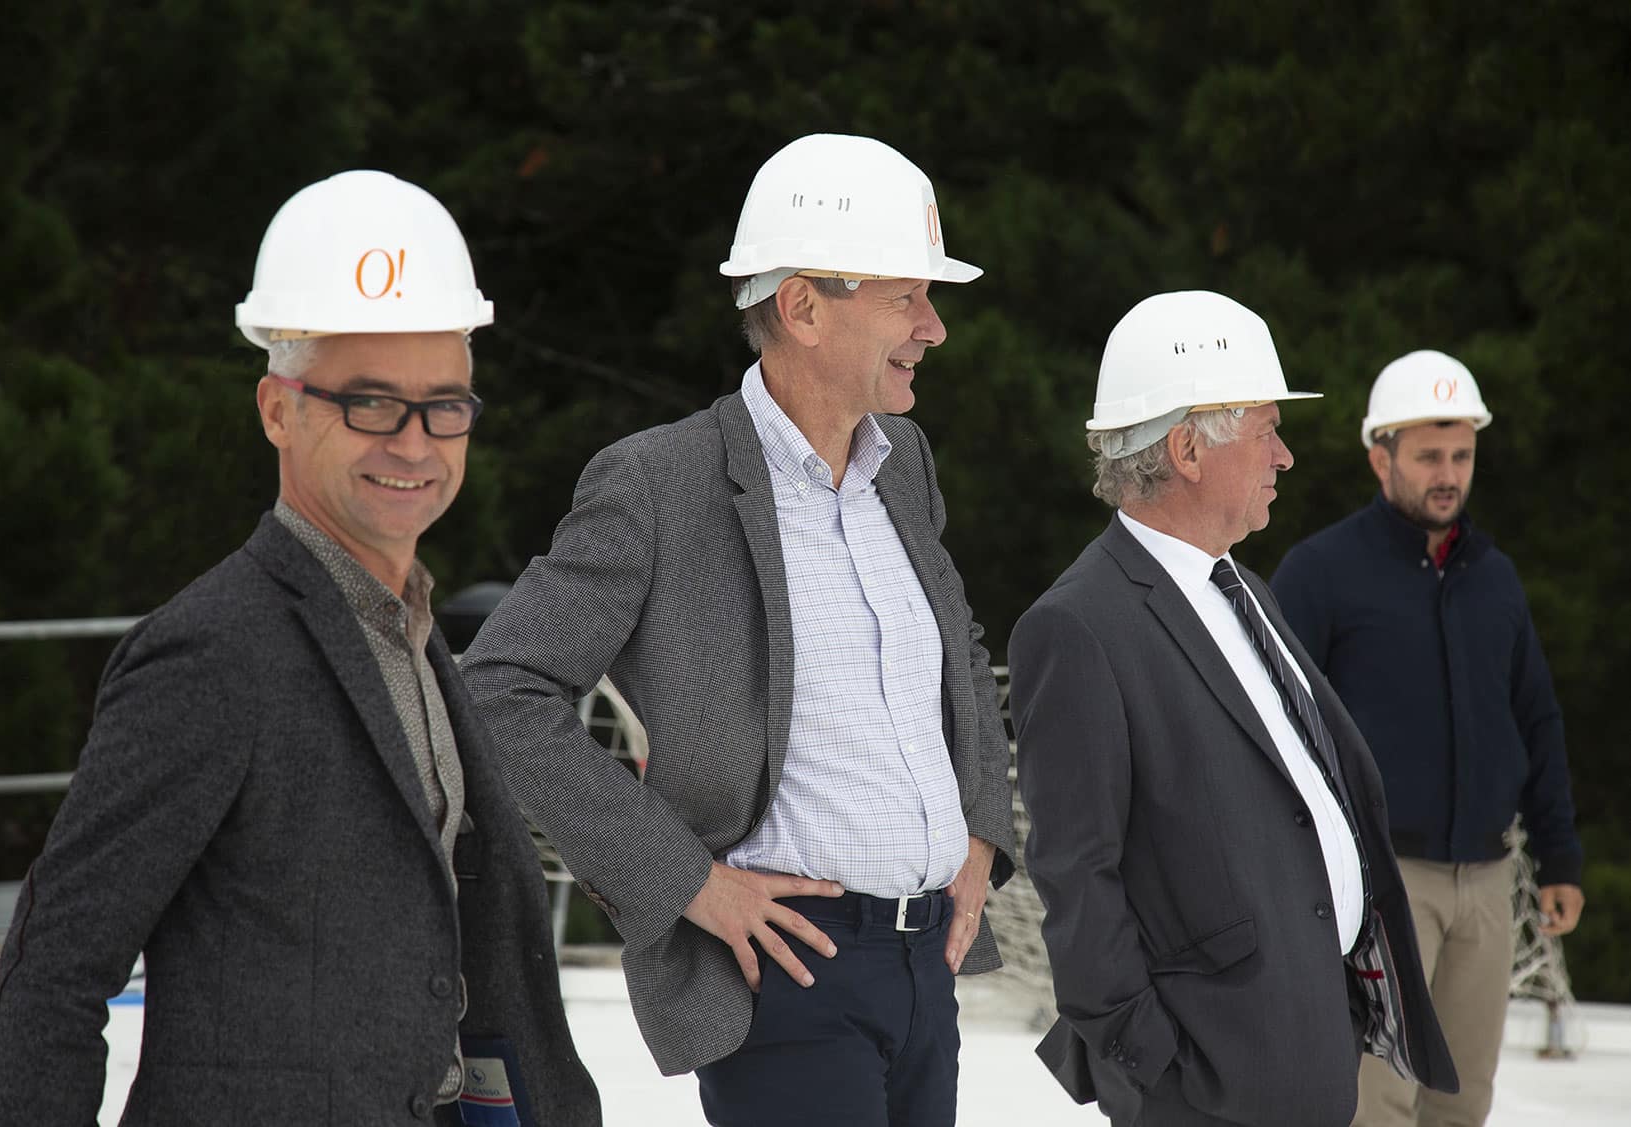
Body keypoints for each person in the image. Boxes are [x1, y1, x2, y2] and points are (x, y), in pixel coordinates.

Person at [0, 170, 601, 1127]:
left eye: (445, 404)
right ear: (278, 410)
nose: (415, 442)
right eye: (370, 403)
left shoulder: (418, 636)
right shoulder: (209, 652)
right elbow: (55, 971)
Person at [460, 133, 1015, 1127]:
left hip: (926, 963)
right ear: (803, 306)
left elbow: (961, 646)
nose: (934, 326)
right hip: (787, 977)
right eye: (906, 297)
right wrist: (688, 884)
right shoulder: (655, 484)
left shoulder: (906, 462)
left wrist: (980, 833)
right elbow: (502, 691)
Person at [1008, 291, 1458, 1126]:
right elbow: (1077, 878)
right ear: (1185, 447)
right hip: (1206, 1089)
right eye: (1265, 431)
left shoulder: (1244, 588)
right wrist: (1157, 1071)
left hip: (1309, 1059)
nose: (1284, 457)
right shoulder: (1077, 627)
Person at [1272, 349, 1584, 1127]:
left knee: (1461, 1103)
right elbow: (1272, 731)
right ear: (1381, 457)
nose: (1448, 473)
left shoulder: (1495, 577)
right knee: (1377, 1106)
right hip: (1379, 884)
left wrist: (1561, 857)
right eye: (1428, 456)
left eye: (1462, 455)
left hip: (1485, 883)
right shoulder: (1319, 573)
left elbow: (1536, 718)